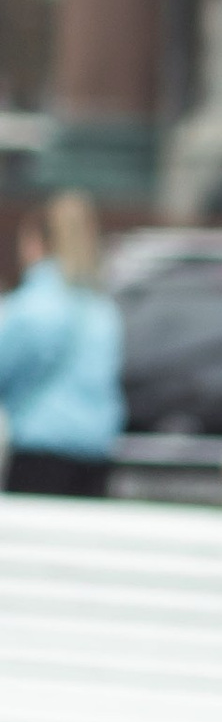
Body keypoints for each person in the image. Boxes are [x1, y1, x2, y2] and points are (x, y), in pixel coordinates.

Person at [0, 189, 123, 495]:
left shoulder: (29, 308)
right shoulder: (103, 310)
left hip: (41, 448)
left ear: (36, 244)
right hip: (96, 452)